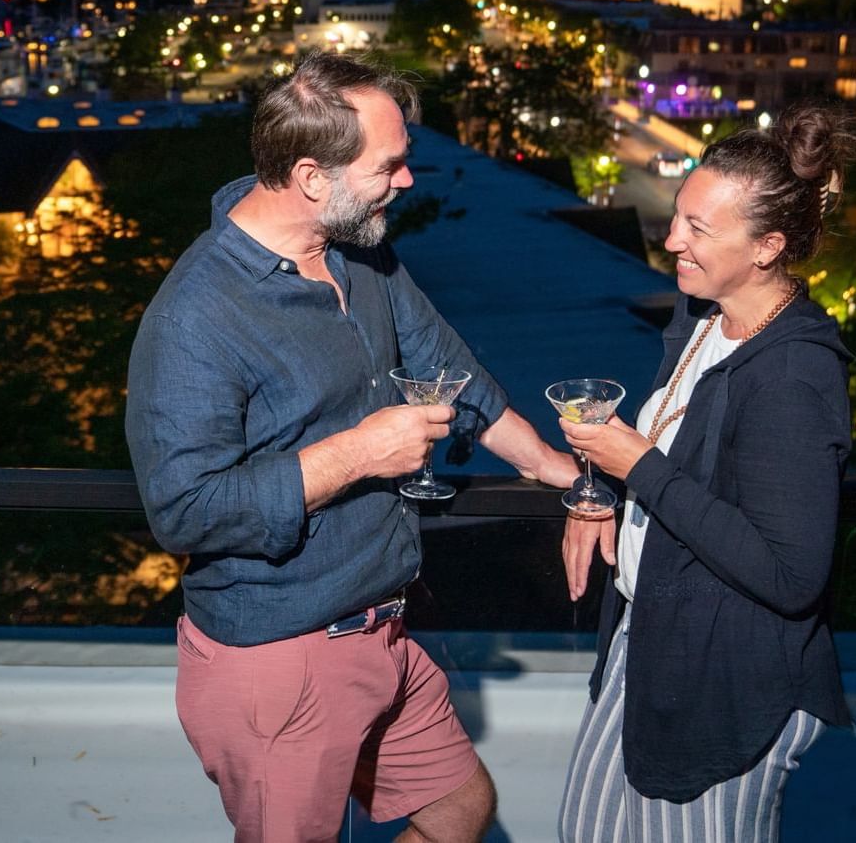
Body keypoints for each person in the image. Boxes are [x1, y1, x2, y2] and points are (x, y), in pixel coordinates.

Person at [126, 51, 577, 843]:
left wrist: (553, 469)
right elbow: (185, 511)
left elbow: (445, 365)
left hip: (385, 632)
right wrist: (359, 453)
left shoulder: (355, 250)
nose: (406, 182)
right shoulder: (194, 317)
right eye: (389, 165)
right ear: (309, 176)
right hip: (281, 660)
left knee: (458, 810)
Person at [554, 104, 856, 842]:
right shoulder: (703, 318)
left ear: (767, 247)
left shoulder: (792, 374)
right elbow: (687, 455)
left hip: (725, 680)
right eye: (678, 218)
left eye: (698, 230)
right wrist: (599, 491)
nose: (671, 240)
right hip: (657, 645)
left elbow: (790, 574)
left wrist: (637, 468)